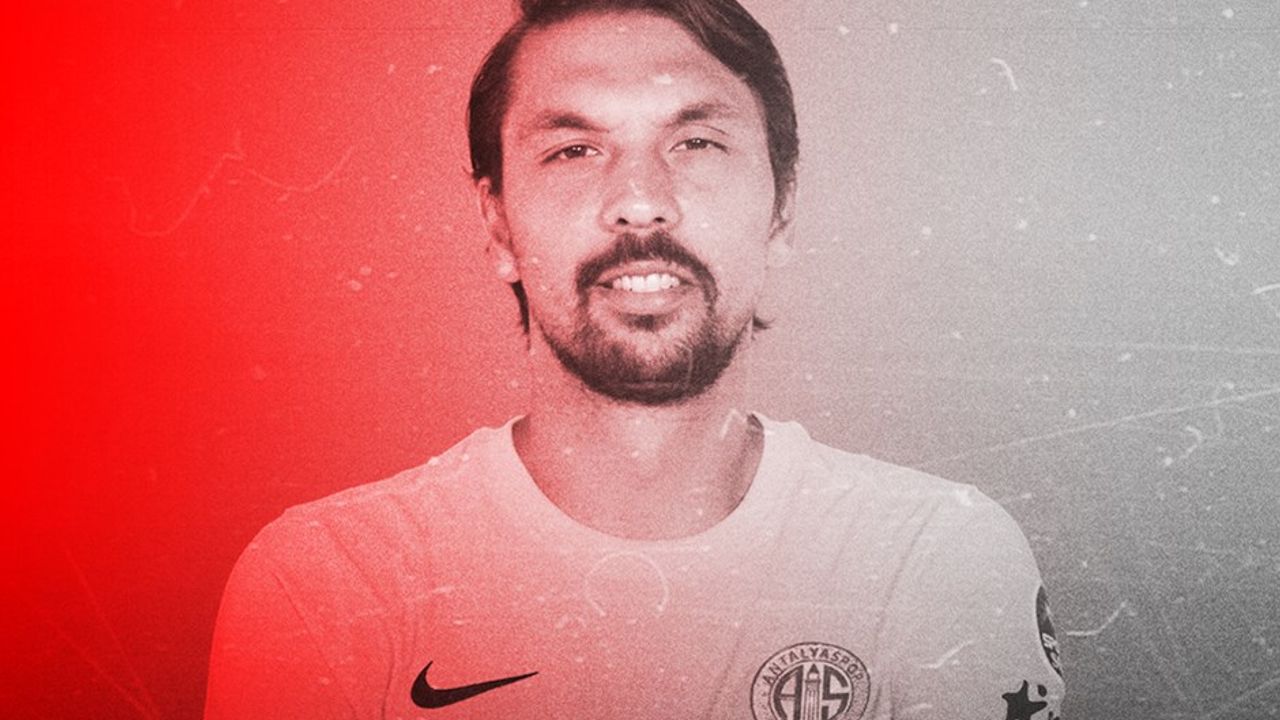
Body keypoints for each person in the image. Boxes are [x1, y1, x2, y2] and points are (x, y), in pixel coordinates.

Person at [204, 1, 1066, 718]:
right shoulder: (329, 585)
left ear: (781, 209)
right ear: (497, 224)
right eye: (574, 150)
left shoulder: (939, 560)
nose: (641, 202)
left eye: (696, 143)